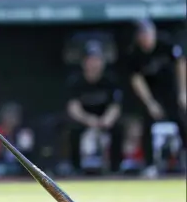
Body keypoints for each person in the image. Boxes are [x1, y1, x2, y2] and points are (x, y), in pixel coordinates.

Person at [127, 19, 186, 178]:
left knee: (182, 119)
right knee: (147, 125)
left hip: (171, 89)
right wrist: (150, 103)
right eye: (141, 35)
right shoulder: (135, 53)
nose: (145, 39)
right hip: (151, 93)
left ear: (153, 34)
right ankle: (150, 164)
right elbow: (137, 80)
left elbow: (181, 64)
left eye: (147, 34)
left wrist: (183, 92)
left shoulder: (166, 44)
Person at [66, 41, 123, 174]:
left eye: (97, 60)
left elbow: (115, 106)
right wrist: (88, 120)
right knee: (72, 129)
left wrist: (107, 119)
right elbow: (73, 107)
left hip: (104, 117)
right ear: (84, 63)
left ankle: (115, 168)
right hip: (84, 118)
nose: (94, 64)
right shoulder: (76, 81)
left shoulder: (110, 80)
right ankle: (75, 168)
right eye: (90, 60)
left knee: (118, 129)